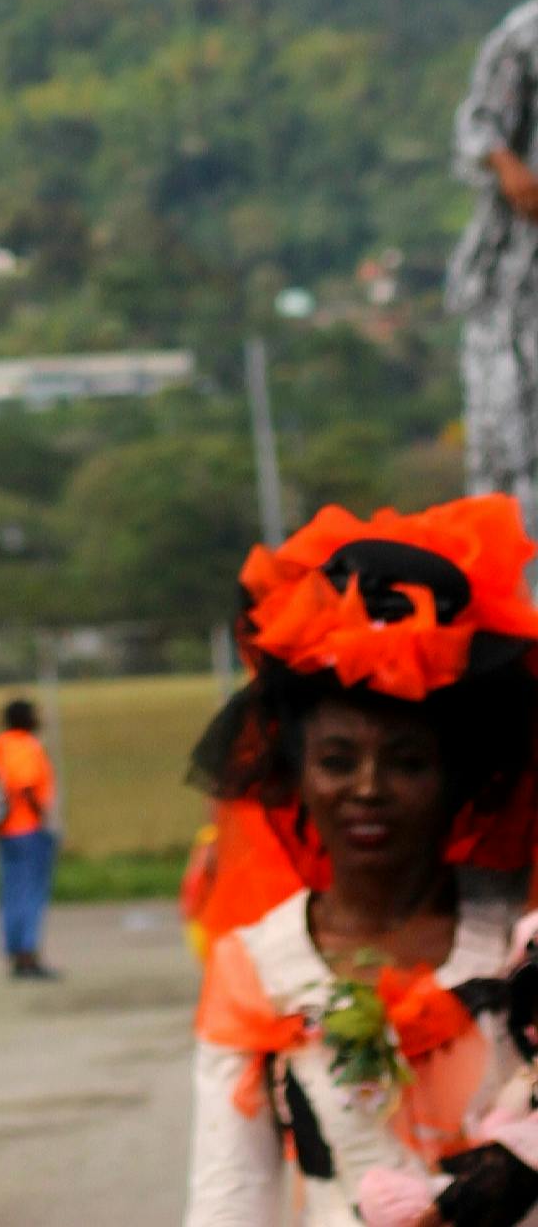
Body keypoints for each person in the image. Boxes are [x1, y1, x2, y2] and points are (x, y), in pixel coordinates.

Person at [185, 499, 538, 1223]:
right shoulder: (256, 967)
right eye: (338, 761)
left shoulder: (519, 939)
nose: (368, 790)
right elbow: (229, 1195)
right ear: (293, 776)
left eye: (407, 762)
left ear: (461, 778)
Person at [453, 1, 538, 532]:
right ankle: (513, 596)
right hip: (510, 288)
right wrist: (509, 169)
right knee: (505, 439)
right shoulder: (526, 32)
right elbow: (477, 127)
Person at [0, 693, 58, 977]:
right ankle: (28, 952)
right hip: (27, 828)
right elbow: (26, 784)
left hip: (3, 829)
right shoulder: (26, 746)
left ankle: (14, 950)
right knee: (31, 893)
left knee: (11, 891)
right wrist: (41, 814)